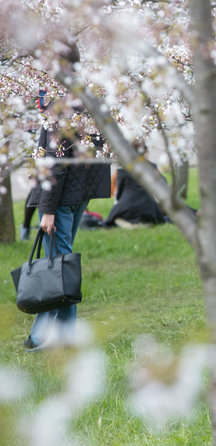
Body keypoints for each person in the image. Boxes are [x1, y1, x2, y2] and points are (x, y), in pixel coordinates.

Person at [24, 107, 111, 350]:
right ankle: (55, 333)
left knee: (59, 268)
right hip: (78, 194)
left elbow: (55, 162)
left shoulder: (59, 103)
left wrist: (48, 209)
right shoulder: (90, 99)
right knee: (62, 264)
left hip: (60, 199)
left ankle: (49, 337)